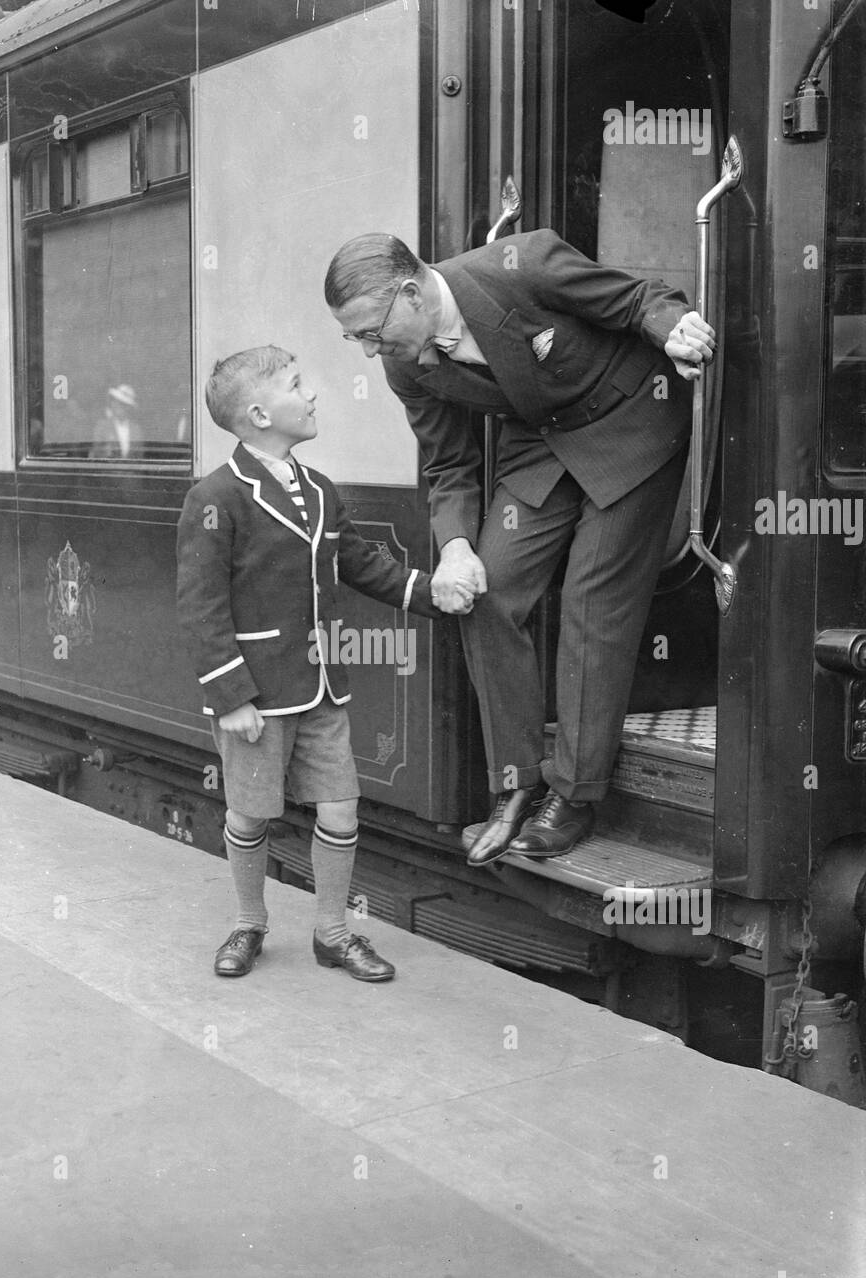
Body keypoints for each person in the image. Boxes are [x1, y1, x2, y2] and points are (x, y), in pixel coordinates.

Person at [325, 229, 714, 864]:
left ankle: (575, 795)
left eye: (371, 331)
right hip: (540, 444)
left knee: (594, 598)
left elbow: (639, 298)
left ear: (411, 293)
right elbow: (449, 464)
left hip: (631, 422)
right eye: (356, 339)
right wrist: (454, 546)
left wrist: (673, 329)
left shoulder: (522, 262)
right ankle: (516, 783)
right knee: (485, 596)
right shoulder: (406, 365)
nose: (370, 352)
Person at [176, 346, 445, 982]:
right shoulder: (215, 497)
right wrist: (231, 696)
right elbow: (200, 605)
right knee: (249, 812)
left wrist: (433, 593)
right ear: (260, 412)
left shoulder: (319, 489)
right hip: (258, 696)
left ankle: (332, 933)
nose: (314, 395)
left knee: (340, 809)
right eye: (299, 385)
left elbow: (358, 562)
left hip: (322, 687)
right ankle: (249, 923)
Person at [90, 383, 145, 459]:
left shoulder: (136, 429)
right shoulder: (102, 427)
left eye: (122, 404)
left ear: (128, 408)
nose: (117, 405)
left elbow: (139, 457)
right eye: (116, 402)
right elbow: (96, 454)